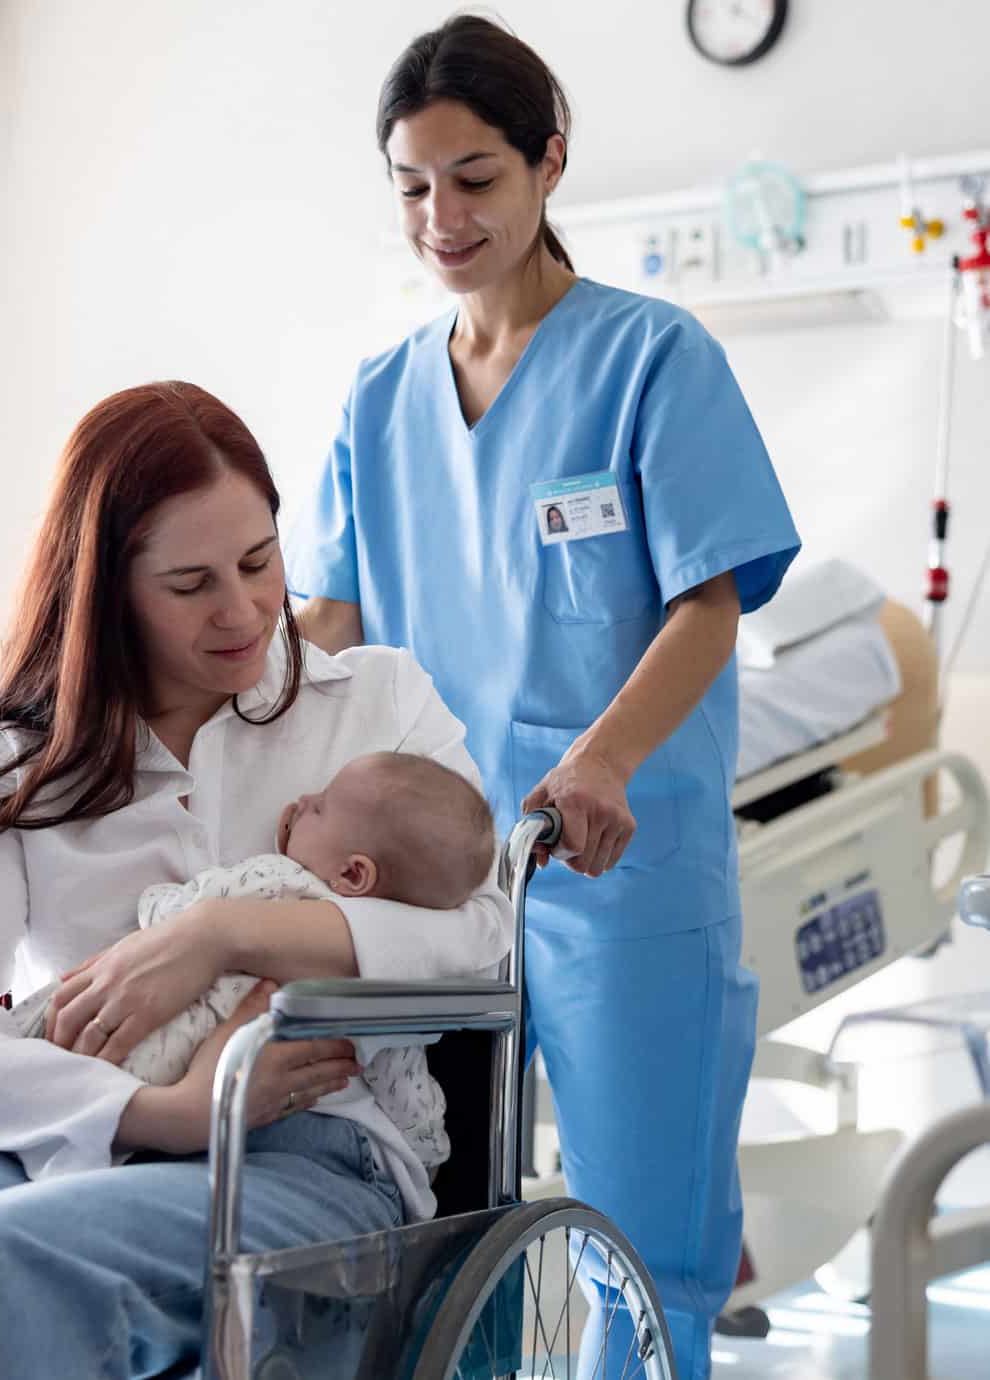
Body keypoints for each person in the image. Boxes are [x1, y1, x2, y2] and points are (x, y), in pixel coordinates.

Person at [0, 382, 512, 1380]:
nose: (242, 609)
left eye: (258, 563)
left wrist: (220, 936)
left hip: (308, 1151)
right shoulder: (24, 759)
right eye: (189, 583)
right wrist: (157, 1114)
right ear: (107, 591)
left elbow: (481, 932)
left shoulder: (375, 704)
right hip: (57, 1128)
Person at [286, 17, 800, 1380]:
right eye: (411, 185)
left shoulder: (650, 360)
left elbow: (709, 599)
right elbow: (327, 620)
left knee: (642, 1242)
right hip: (422, 874)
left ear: (546, 165)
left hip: (611, 865)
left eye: (473, 177)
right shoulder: (378, 400)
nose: (440, 216)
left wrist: (602, 762)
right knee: (431, 1224)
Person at [0, 750, 496, 1169]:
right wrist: (428, 1150)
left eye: (319, 808)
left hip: (151, 1055)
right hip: (208, 1091)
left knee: (45, 1032)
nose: (301, 802)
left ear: (353, 873)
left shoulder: (272, 880)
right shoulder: (374, 988)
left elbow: (168, 913)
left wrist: (160, 909)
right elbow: (405, 1089)